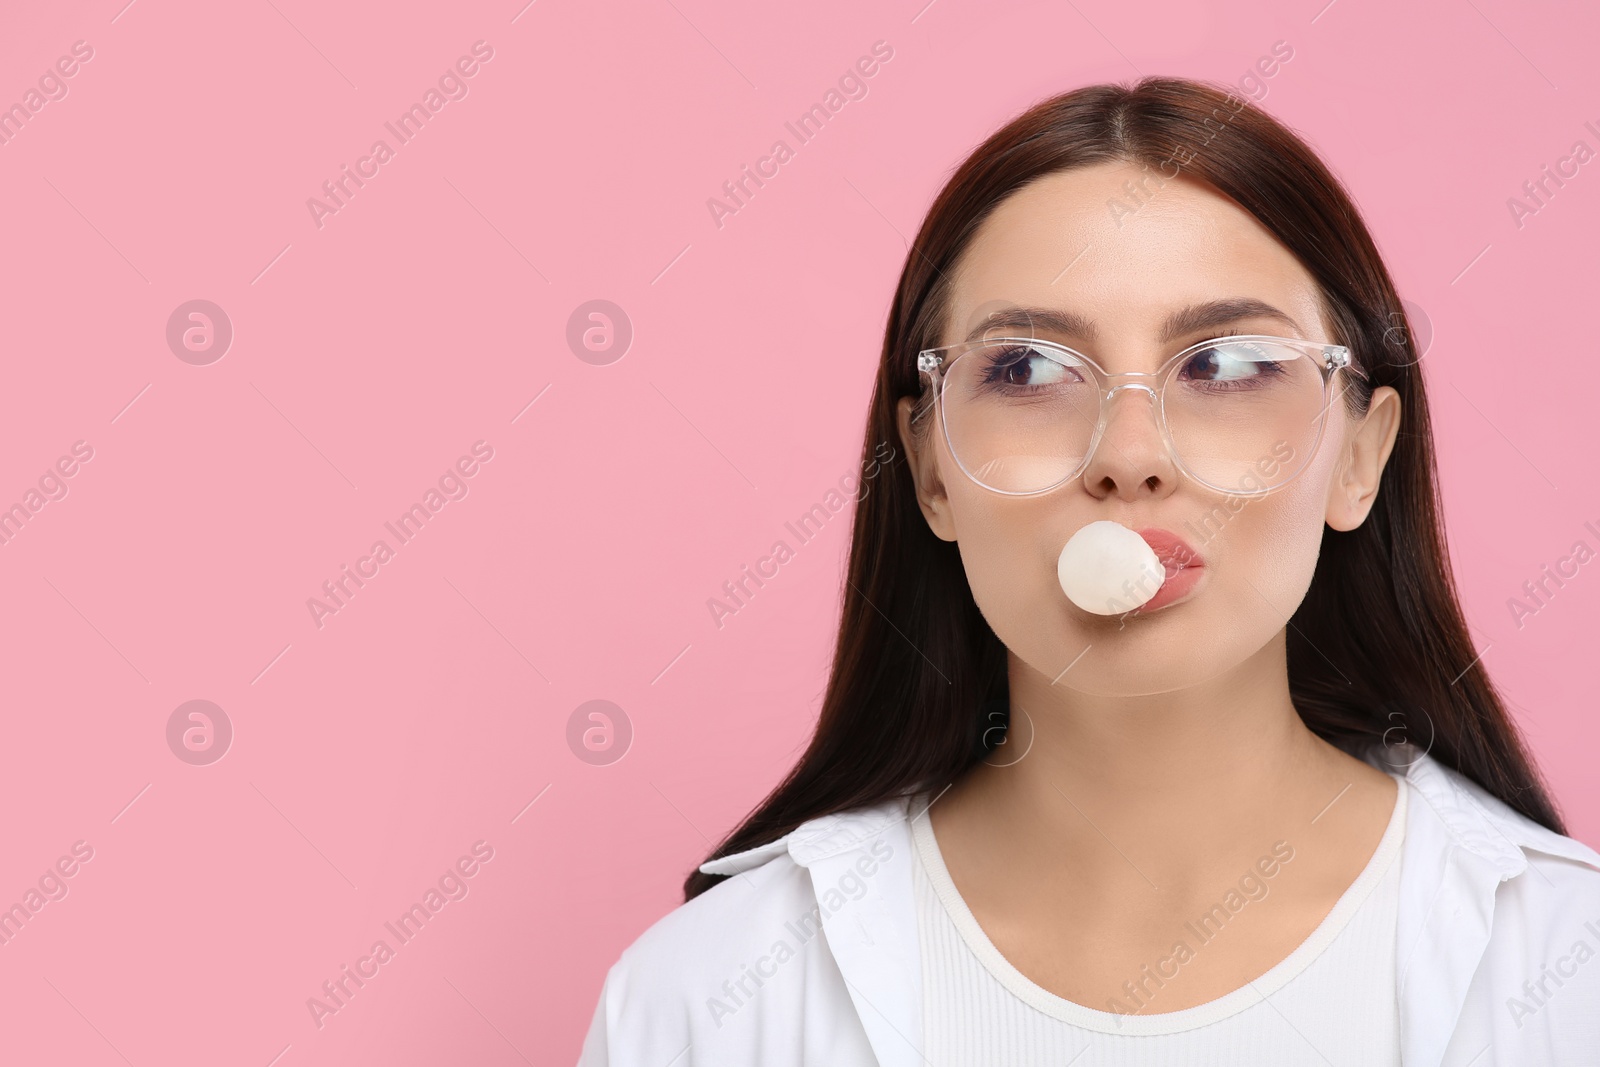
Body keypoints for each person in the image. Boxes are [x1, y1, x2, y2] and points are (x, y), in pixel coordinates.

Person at [576, 75, 1600, 1066]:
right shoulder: (707, 1001)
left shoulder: (1570, 970)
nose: (1128, 453)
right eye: (1024, 368)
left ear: (1360, 457)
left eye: (1229, 365)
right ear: (930, 469)